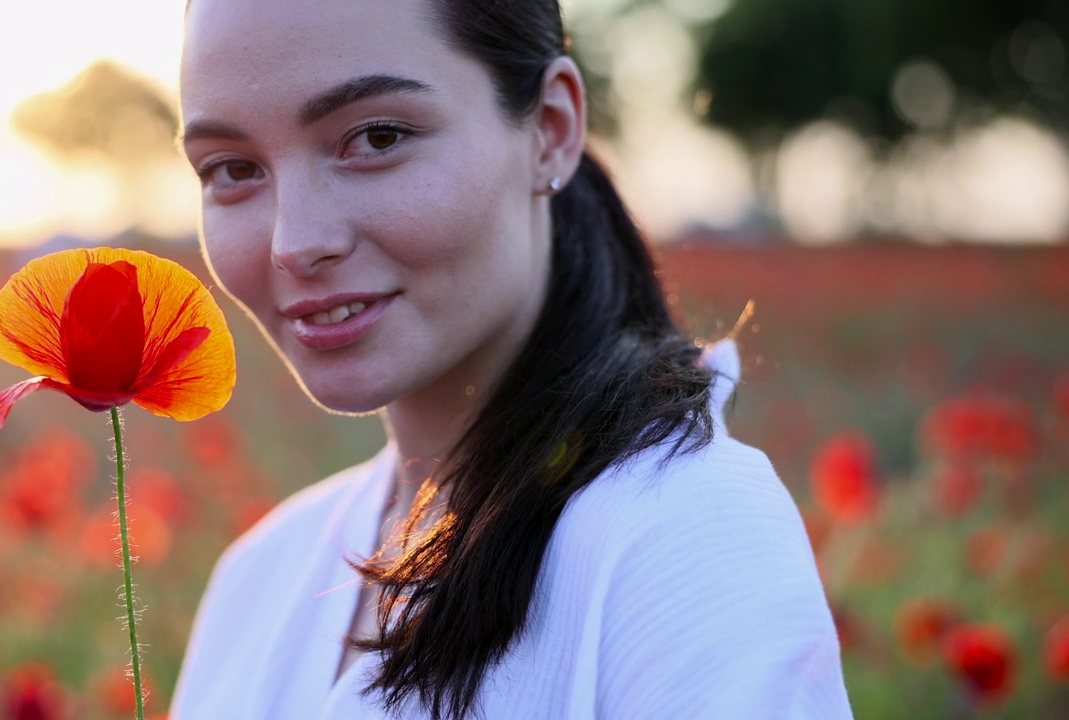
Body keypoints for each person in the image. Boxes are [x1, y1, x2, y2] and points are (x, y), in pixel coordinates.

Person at [171, 0, 853, 717]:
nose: (294, 241)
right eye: (232, 168)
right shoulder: (260, 576)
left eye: (376, 137)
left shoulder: (685, 538)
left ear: (551, 131)